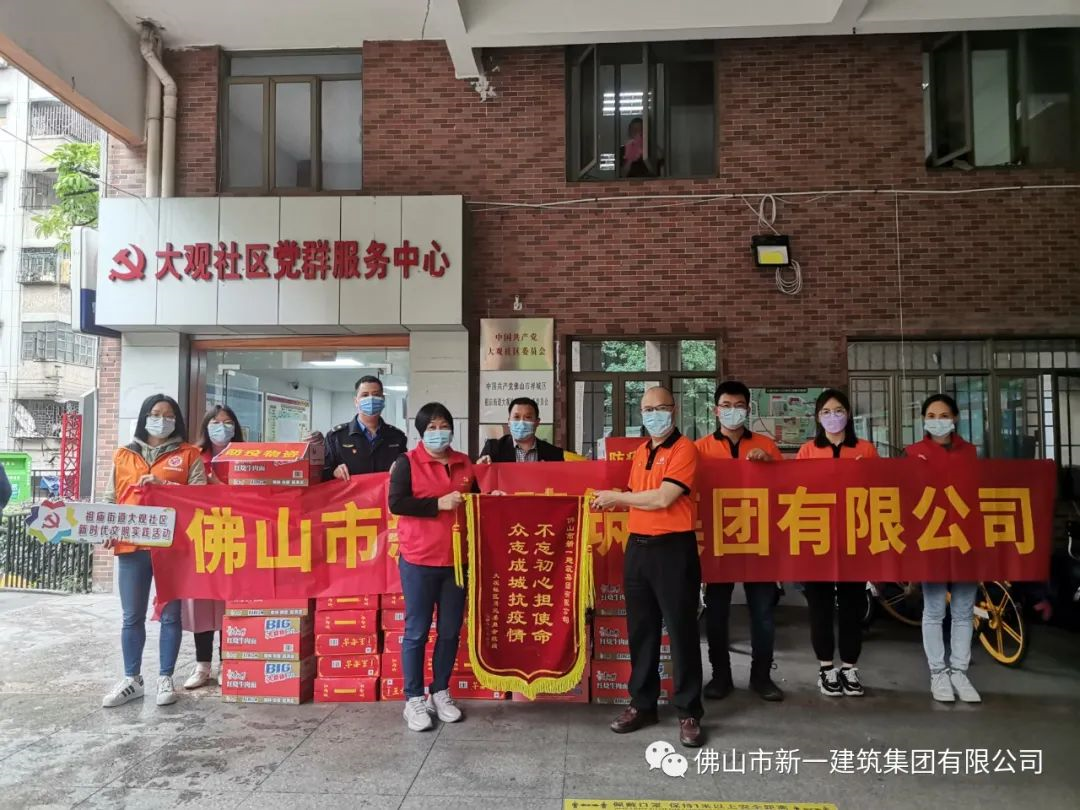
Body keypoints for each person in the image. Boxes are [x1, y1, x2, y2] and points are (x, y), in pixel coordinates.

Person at [592, 386, 704, 748]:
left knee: (682, 632)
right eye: (647, 409)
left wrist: (617, 497)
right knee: (641, 631)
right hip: (638, 548)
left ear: (674, 409)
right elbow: (636, 496)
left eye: (660, 408)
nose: (654, 415)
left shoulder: (685, 449)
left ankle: (688, 711)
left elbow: (663, 497)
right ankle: (642, 704)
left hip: (673, 549)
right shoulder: (641, 451)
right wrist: (610, 499)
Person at [101, 394, 206, 709]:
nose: (162, 420)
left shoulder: (189, 454)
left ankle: (165, 677)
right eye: (156, 413)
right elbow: (111, 497)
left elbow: (201, 497)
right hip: (131, 545)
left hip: (171, 546)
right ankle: (132, 679)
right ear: (145, 417)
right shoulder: (123, 454)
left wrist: (164, 485)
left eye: (169, 415)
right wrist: (106, 527)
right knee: (131, 615)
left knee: (170, 615)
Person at [695, 381, 784, 702]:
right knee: (717, 613)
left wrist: (770, 466)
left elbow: (788, 490)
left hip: (759, 540)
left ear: (748, 409)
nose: (732, 411)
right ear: (715, 410)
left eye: (739, 406)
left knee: (763, 613)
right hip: (717, 542)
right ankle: (721, 676)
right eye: (726, 405)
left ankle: (762, 677)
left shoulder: (766, 445)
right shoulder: (699, 448)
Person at [388, 402, 474, 732]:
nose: (439, 432)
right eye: (432, 427)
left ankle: (440, 691)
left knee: (450, 630)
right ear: (421, 432)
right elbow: (397, 503)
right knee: (417, 631)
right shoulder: (406, 462)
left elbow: (475, 501)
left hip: (457, 562)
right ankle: (413, 698)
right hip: (419, 560)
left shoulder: (464, 462)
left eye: (444, 426)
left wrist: (490, 497)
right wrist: (438, 503)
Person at [795, 388, 878, 697]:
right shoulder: (807, 451)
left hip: (854, 539)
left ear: (849, 414)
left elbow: (881, 490)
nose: (833, 417)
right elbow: (795, 490)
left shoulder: (866, 450)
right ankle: (826, 668)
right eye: (826, 412)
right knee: (819, 607)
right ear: (818, 417)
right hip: (817, 539)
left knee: (852, 607)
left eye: (839, 410)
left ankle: (849, 667)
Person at [905, 393, 981, 704]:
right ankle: (938, 672)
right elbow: (906, 495)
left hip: (965, 539)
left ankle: (960, 671)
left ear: (955, 418)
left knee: (963, 611)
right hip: (931, 539)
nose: (938, 421)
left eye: (944, 415)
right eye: (932, 416)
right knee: (934, 610)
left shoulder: (970, 452)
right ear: (924, 421)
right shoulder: (914, 453)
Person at [180, 404, 245, 690]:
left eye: (227, 422)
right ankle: (202, 665)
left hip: (236, 538)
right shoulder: (193, 456)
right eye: (216, 422)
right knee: (202, 603)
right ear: (206, 426)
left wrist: (218, 485)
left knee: (229, 603)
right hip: (201, 539)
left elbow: (254, 497)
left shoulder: (246, 456)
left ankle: (226, 662)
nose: (222, 427)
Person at [321, 376, 408, 481]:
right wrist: (333, 472)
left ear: (383, 399)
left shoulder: (397, 437)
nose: (371, 399)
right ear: (356, 401)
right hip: (351, 492)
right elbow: (321, 475)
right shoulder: (336, 437)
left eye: (376, 395)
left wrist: (402, 468)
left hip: (386, 491)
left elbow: (407, 473)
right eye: (365, 395)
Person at [476, 397, 566, 463]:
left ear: (537, 422)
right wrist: (481, 468)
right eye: (516, 417)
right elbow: (478, 481)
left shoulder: (554, 454)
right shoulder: (493, 449)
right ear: (509, 422)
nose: (521, 422)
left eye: (528, 417)